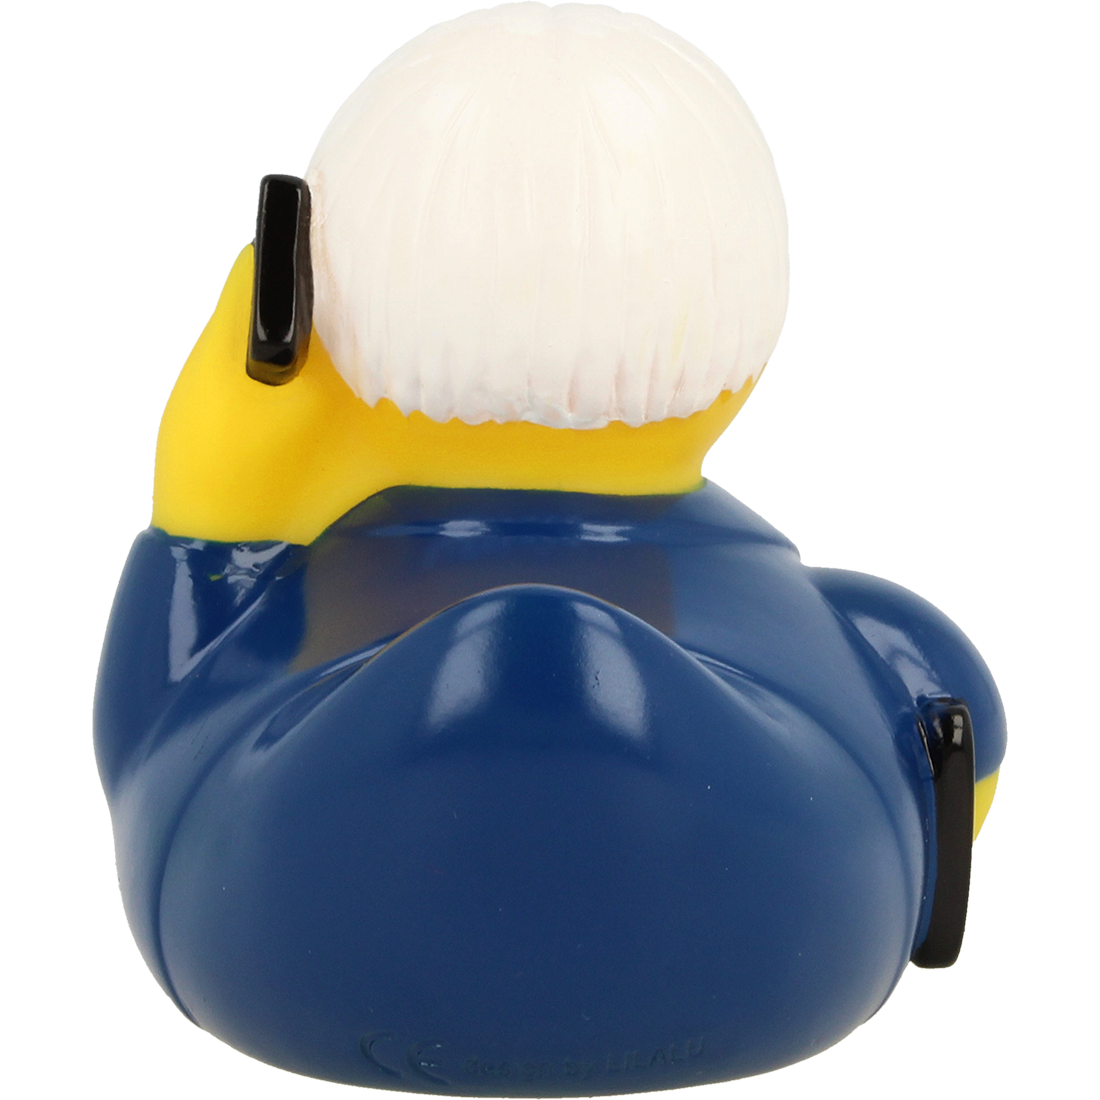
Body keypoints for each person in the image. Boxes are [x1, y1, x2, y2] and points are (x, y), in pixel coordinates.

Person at [95, 3, 1005, 1090]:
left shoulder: (265, 604)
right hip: (805, 937)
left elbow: (141, 743)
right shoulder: (845, 635)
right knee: (919, 662)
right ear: (749, 304)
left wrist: (211, 509)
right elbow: (962, 760)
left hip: (260, 941)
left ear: (302, 297)